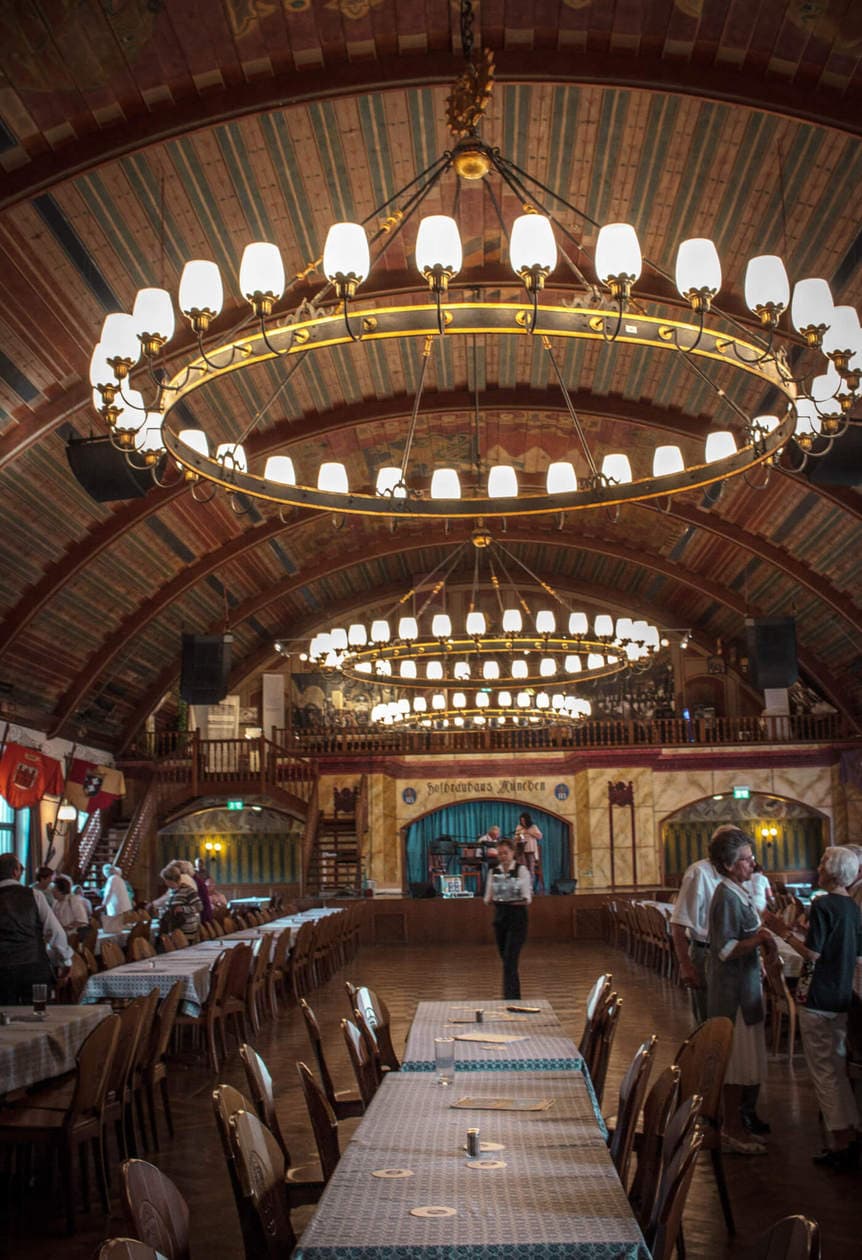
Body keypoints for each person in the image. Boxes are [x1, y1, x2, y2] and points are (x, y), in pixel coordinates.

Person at [764, 846, 862, 1170]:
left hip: (816, 994)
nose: (818, 866)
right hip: (841, 996)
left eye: (821, 861)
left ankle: (839, 1142)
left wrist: (783, 933)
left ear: (831, 871)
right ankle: (851, 1133)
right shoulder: (851, 906)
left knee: (824, 1073)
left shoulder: (822, 903)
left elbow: (814, 956)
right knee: (837, 1067)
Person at [706, 826, 778, 1154]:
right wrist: (760, 940)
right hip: (732, 994)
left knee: (741, 1063)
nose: (753, 865)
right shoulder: (725, 895)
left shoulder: (738, 891)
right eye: (747, 860)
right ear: (731, 865)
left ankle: (735, 1126)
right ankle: (732, 1129)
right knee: (734, 1065)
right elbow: (724, 949)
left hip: (744, 988)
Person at [0, 852, 72, 1004]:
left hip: (2, 969)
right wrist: (65, 961)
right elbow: (55, 932)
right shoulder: (34, 895)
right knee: (38, 1016)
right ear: (15, 872)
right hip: (33, 965)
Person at [670, 841, 722, 1025]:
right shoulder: (698, 872)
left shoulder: (741, 876)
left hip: (733, 959)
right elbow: (677, 924)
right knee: (708, 1022)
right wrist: (685, 964)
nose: (751, 863)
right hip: (705, 952)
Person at [484, 838, 532, 1000]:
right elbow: (487, 897)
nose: (503, 856)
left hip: (517, 918)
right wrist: (493, 898)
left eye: (506, 853)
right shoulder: (493, 871)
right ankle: (511, 996)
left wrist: (513, 896)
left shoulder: (521, 870)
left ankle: (511, 998)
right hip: (500, 919)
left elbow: (527, 897)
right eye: (500, 853)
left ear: (513, 853)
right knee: (506, 961)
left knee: (510, 961)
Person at [158, 861, 203, 943]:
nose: (165, 883)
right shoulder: (172, 891)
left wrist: (183, 909)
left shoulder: (188, 890)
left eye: (165, 880)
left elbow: (199, 906)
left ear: (170, 880)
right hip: (175, 929)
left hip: (187, 929)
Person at [98, 862, 132, 932]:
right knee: (121, 926)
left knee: (116, 928)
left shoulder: (112, 879)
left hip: (117, 906)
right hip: (123, 906)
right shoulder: (119, 879)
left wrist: (103, 904)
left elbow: (108, 893)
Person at [514, 812, 542, 888]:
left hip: (531, 849)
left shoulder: (533, 827)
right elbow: (515, 838)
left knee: (531, 868)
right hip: (521, 850)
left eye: (524, 820)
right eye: (521, 820)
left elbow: (539, 836)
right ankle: (522, 886)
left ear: (527, 820)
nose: (522, 822)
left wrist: (529, 832)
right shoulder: (519, 827)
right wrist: (518, 837)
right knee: (523, 868)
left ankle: (530, 887)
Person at [191, 857, 214, 923]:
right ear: (195, 864)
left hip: (204, 890)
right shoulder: (193, 872)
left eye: (201, 864)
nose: (199, 865)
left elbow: (209, 880)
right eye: (198, 864)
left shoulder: (205, 872)